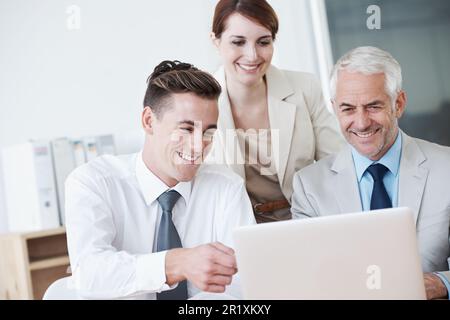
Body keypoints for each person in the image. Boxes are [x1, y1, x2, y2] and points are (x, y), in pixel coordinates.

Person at [65, 60, 256, 299]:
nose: (199, 146)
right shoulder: (93, 183)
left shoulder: (226, 187)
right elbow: (90, 274)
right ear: (148, 121)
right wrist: (177, 263)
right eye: (186, 129)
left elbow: (241, 286)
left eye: (208, 132)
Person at [291, 46, 450, 300]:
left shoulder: (446, 168)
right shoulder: (309, 187)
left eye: (373, 106)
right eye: (348, 109)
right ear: (334, 108)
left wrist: (442, 283)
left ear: (398, 104)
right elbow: (307, 276)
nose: (362, 122)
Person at [207, 0, 345, 223]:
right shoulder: (200, 101)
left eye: (263, 42)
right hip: (237, 229)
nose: (252, 55)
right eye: (238, 42)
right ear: (216, 41)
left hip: (306, 219)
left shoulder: (304, 88)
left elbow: (337, 165)